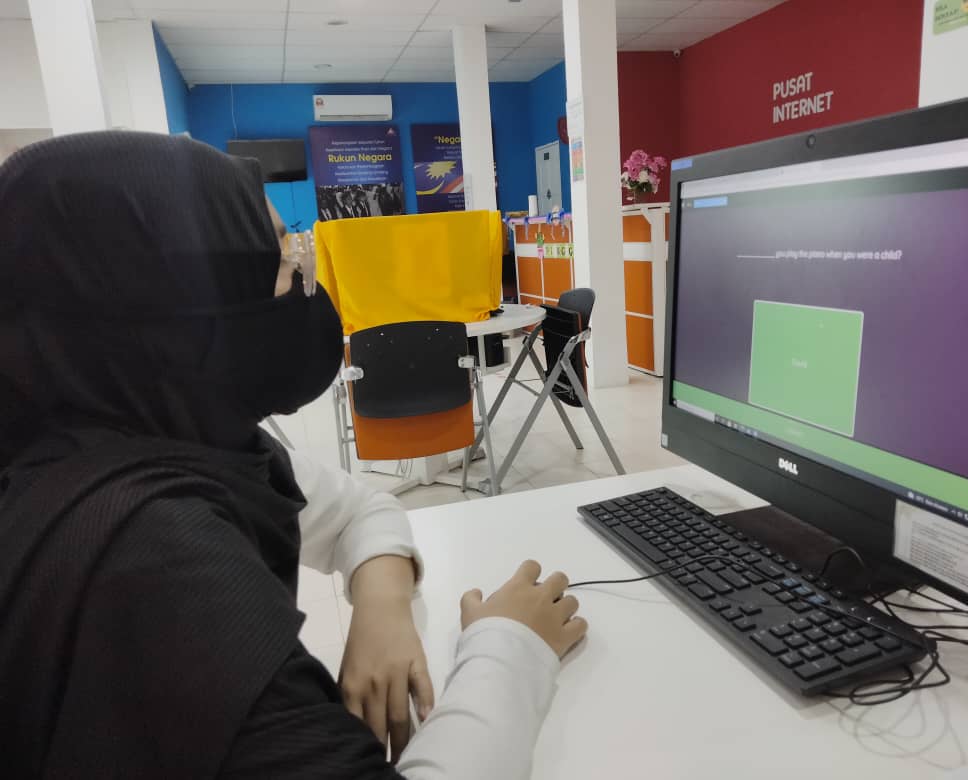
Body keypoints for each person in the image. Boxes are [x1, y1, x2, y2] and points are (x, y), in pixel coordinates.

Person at [0, 132, 587, 778]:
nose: (306, 287)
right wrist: (509, 644)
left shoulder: (154, 444)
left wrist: (382, 607)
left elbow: (359, 507)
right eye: (282, 261)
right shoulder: (148, 560)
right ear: (184, 309)